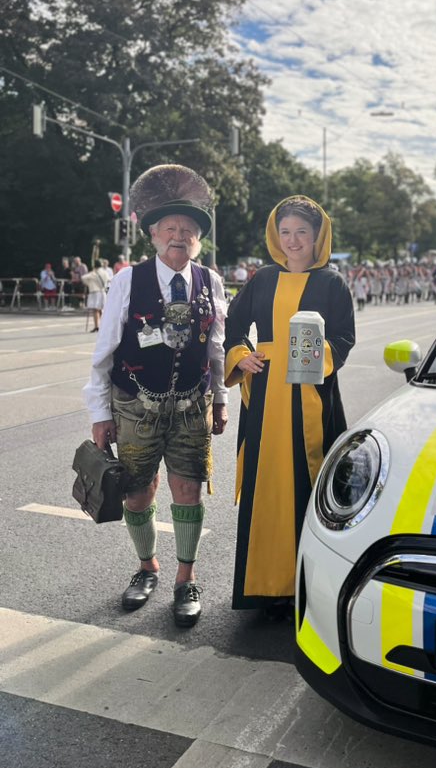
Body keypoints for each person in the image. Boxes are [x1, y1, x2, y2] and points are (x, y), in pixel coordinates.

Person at [83, 164, 229, 628]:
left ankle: (186, 578)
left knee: (188, 490)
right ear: (153, 234)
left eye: (189, 231)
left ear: (198, 240)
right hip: (135, 408)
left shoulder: (211, 281)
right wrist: (99, 413)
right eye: (171, 228)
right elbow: (104, 352)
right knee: (137, 494)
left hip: (192, 407)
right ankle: (147, 567)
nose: (180, 237)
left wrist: (221, 399)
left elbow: (217, 348)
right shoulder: (128, 280)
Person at [223, 195, 355, 616]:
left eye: (302, 232)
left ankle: (306, 588)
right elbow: (232, 325)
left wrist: (315, 361)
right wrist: (241, 355)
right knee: (266, 481)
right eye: (285, 232)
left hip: (312, 397)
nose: (293, 240)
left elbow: (344, 338)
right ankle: (264, 584)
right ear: (275, 235)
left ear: (318, 236)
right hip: (266, 396)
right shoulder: (262, 279)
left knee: (308, 482)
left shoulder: (332, 283)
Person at [81, 260, 111, 331]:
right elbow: (109, 280)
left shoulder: (93, 273)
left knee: (95, 310)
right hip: (102, 292)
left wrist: (88, 283)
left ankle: (97, 326)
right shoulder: (105, 272)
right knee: (102, 310)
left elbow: (83, 278)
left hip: (95, 292)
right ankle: (104, 325)